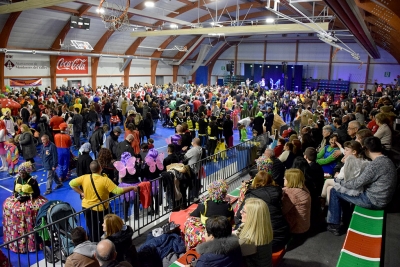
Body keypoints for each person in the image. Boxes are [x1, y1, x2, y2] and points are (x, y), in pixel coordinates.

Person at [327, 137, 397, 235]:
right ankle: (346, 219)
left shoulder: (375, 165)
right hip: (383, 198)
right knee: (343, 193)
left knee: (335, 191)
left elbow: (355, 184)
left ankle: (334, 225)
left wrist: (338, 181)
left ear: (367, 150)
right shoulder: (387, 160)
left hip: (373, 201)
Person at [69, 160, 138, 242]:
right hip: (102, 208)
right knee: (107, 225)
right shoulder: (105, 180)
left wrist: (81, 193)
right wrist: (132, 188)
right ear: (100, 168)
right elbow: (118, 191)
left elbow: (71, 183)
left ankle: (96, 244)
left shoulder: (85, 177)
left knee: (92, 228)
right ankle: (107, 242)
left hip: (87, 208)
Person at [235, 171, 290, 252]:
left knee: (240, 223)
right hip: (282, 237)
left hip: (264, 243)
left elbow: (239, 215)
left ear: (256, 181)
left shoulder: (251, 195)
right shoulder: (278, 192)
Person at [3, 162, 48, 253]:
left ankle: (36, 240)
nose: (22, 175)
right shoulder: (16, 180)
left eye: (23, 173)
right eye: (20, 173)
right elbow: (14, 191)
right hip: (19, 199)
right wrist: (17, 196)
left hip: (31, 199)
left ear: (27, 173)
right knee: (9, 207)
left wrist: (28, 197)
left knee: (31, 209)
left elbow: (37, 193)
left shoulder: (32, 181)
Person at [184, 180, 234, 250]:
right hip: (222, 232)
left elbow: (193, 215)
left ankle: (188, 247)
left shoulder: (204, 205)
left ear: (211, 191)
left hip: (208, 233)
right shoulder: (228, 206)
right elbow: (231, 219)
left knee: (189, 222)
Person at [235, 198, 273, 267]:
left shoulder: (249, 240)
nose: (240, 212)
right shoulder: (262, 228)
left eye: (243, 211)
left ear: (252, 216)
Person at [282, 168, 311, 234]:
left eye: (286, 177)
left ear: (291, 180)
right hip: (304, 225)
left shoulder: (290, 194)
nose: (283, 178)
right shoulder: (303, 189)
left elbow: (282, 211)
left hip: (295, 228)